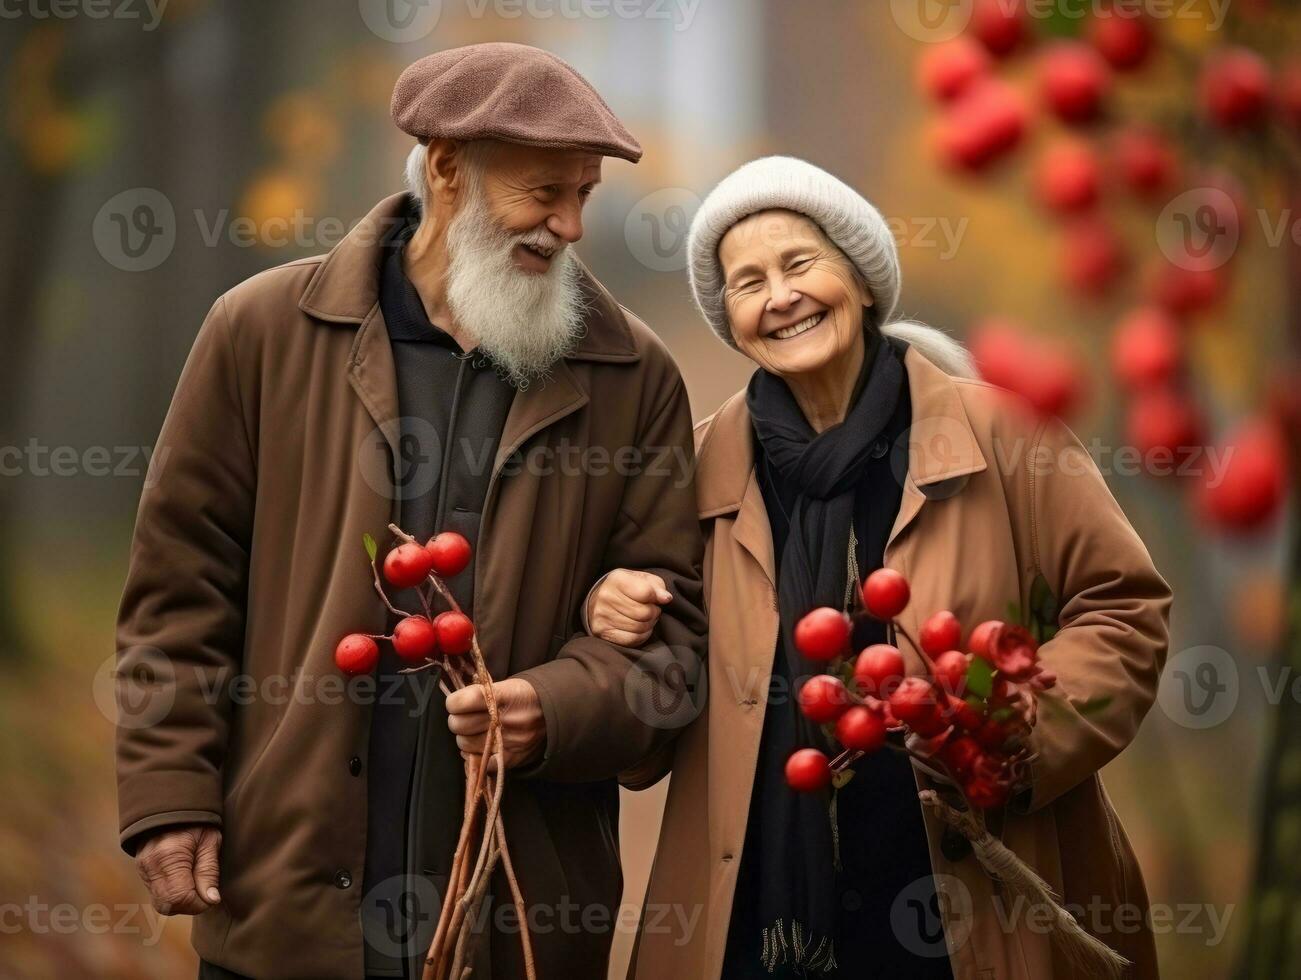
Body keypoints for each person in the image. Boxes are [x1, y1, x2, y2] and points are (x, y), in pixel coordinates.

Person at [116, 43, 706, 980]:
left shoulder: (631, 377)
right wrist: (168, 793)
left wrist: (553, 709)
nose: (570, 224)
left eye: (583, 194)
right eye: (544, 191)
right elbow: (179, 590)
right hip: (287, 906)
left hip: (515, 917)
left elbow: (677, 641)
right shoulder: (261, 330)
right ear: (444, 168)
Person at [590, 156, 1170, 979]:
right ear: (733, 319)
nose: (779, 296)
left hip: (969, 887)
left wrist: (1007, 738)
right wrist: (611, 615)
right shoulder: (691, 475)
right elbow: (651, 712)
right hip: (752, 915)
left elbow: (1123, 608)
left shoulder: (1003, 436)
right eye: (747, 282)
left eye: (799, 264)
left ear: (860, 282)